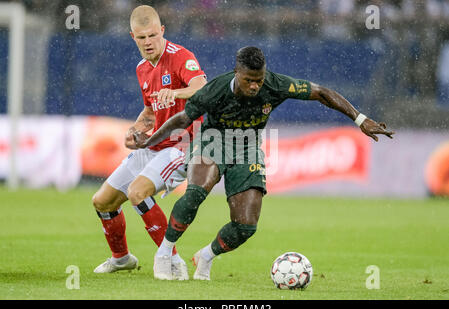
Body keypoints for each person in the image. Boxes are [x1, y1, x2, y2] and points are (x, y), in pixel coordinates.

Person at [136, 46, 394, 280]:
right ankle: (165, 252)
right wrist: (149, 142)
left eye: (258, 80)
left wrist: (360, 120)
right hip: (212, 141)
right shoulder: (214, 90)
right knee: (195, 193)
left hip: (248, 146)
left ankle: (205, 256)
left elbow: (322, 93)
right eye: (248, 80)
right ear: (236, 72)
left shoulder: (276, 84)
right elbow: (182, 119)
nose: (254, 86)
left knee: (245, 226)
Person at [91, 5, 207, 280]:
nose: (148, 42)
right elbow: (150, 112)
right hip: (154, 144)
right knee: (102, 201)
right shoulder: (142, 68)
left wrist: (175, 91)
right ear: (133, 37)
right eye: (141, 38)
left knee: (137, 193)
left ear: (162, 31)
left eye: (153, 35)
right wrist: (136, 129)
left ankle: (172, 260)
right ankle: (121, 259)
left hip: (181, 145)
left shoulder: (181, 57)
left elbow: (203, 88)